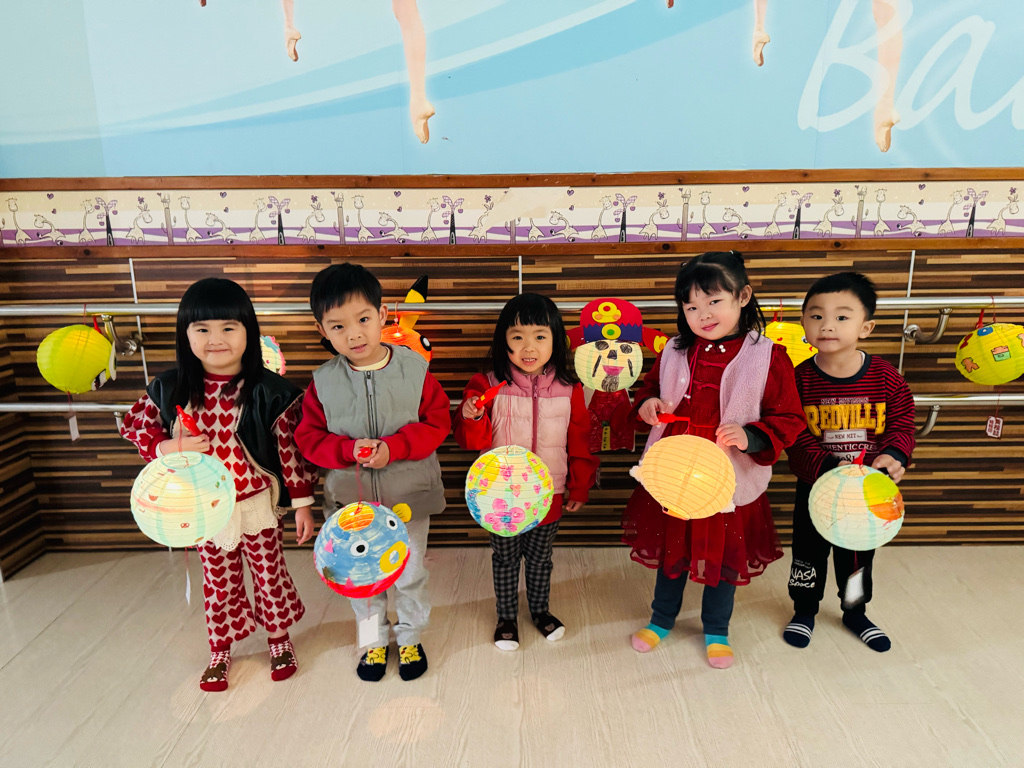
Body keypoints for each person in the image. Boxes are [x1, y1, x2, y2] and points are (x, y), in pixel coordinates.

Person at [120, 277, 317, 692]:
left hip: (257, 502)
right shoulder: (169, 388)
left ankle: (279, 640)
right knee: (218, 578)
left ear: (249, 331)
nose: (216, 339)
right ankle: (220, 647)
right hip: (204, 506)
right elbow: (136, 426)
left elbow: (290, 451)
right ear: (185, 334)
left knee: (269, 572)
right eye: (202, 329)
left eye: (228, 327)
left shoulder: (272, 392)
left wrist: (302, 503)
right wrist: (164, 446)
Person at [622, 251, 805, 668]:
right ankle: (661, 618)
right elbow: (648, 390)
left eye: (714, 301)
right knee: (672, 549)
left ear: (743, 296)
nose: (702, 314)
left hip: (729, 476)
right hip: (675, 471)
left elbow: (790, 417)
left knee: (723, 556)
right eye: (690, 306)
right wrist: (648, 404)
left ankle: (717, 628)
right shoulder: (673, 350)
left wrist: (751, 435)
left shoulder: (768, 356)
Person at [294, 263, 450, 681]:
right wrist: (346, 450)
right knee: (361, 581)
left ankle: (411, 636)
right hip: (353, 505)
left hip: (408, 500)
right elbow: (308, 439)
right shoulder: (323, 382)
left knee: (410, 574)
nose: (354, 334)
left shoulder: (415, 369)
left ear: (382, 316)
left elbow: (438, 424)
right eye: (338, 326)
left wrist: (395, 447)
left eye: (363, 319)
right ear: (322, 331)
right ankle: (373, 643)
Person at [455, 293, 597, 651]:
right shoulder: (487, 384)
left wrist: (580, 486)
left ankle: (539, 611)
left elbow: (581, 442)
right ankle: (506, 617)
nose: (528, 347)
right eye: (517, 336)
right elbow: (469, 441)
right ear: (503, 340)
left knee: (540, 558)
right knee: (505, 558)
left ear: (555, 339)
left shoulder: (570, 388)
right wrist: (472, 415)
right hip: (499, 496)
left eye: (539, 336)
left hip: (549, 493)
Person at [783, 272, 915, 652]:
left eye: (842, 317)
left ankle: (855, 612)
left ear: (866, 327)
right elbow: (793, 432)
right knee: (808, 553)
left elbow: (902, 424)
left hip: (867, 494)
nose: (827, 325)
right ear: (803, 324)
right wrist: (828, 468)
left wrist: (894, 455)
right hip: (817, 489)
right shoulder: (798, 380)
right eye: (816, 316)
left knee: (857, 559)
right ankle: (804, 610)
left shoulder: (887, 378)